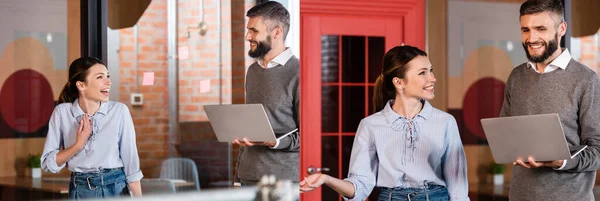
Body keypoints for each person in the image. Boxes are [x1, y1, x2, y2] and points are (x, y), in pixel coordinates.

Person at [300, 45, 469, 201]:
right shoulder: (370, 125)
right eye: (422, 73)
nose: (432, 78)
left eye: (431, 71)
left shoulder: (445, 122)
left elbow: (458, 186)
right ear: (399, 82)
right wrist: (326, 179)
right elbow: (360, 187)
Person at [500, 0, 600, 200]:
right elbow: (505, 134)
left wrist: (561, 161)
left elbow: (597, 150)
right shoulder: (517, 76)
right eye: (525, 29)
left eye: (540, 29)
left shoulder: (586, 79)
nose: (531, 38)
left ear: (561, 29)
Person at [41, 57, 143, 199]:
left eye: (107, 76)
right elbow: (48, 164)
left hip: (116, 189)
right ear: (81, 85)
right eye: (100, 77)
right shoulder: (62, 113)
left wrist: (139, 198)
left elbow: (131, 165)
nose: (108, 82)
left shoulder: (119, 111)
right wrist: (78, 145)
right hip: (80, 190)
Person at [231, 1, 300, 186]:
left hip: (283, 181)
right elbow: (250, 124)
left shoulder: (298, 72)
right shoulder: (253, 71)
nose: (247, 36)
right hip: (248, 176)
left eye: (254, 31)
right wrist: (237, 177)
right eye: (248, 30)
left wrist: (275, 142)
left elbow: (307, 136)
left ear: (277, 32)